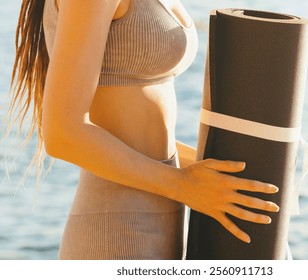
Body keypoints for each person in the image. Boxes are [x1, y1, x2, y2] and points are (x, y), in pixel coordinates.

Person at [8, 0, 280, 260]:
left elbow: (138, 136)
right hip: (116, 229)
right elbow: (63, 134)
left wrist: (231, 173)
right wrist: (185, 185)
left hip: (167, 221)